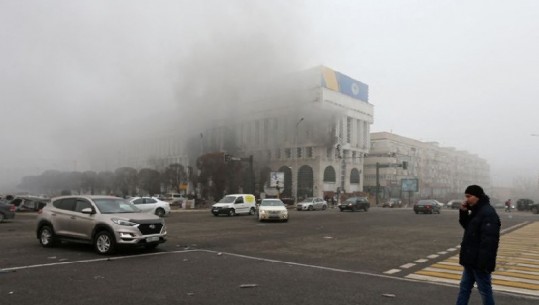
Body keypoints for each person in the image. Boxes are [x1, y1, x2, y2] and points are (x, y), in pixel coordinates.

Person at [456, 185, 501, 305]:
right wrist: (463, 212)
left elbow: (490, 242)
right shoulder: (477, 211)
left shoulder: (488, 213)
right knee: (464, 289)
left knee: (485, 291)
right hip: (470, 260)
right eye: (466, 196)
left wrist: (483, 264)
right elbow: (469, 228)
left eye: (469, 196)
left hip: (480, 263)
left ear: (478, 197)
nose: (466, 199)